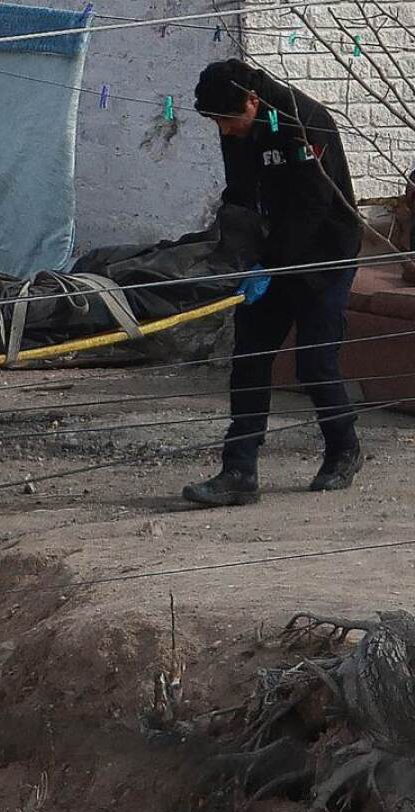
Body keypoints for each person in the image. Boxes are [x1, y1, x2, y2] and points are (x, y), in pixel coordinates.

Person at [183, 59, 364, 508]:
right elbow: (241, 193)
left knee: (315, 363)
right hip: (272, 255)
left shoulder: (306, 122)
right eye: (216, 123)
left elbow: (313, 205)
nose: (224, 131)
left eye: (228, 119)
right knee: (250, 357)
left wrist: (271, 264)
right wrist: (232, 251)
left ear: (252, 100)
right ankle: (239, 470)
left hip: (324, 256)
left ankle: (344, 448)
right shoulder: (237, 128)